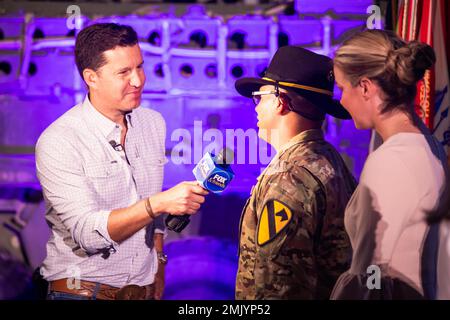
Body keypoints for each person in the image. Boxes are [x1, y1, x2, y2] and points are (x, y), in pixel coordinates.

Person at [35, 23, 208, 300]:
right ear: (91, 77)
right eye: (123, 73)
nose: (138, 80)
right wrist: (160, 203)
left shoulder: (152, 123)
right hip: (81, 294)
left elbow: (153, 218)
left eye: (139, 67)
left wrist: (158, 266)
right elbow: (88, 235)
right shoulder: (59, 140)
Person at [331, 29, 449, 299]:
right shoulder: (427, 145)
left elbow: (370, 278)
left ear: (365, 87)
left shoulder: (392, 161)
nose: (341, 100)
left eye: (342, 89)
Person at [234, 46, 357, 299]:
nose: (256, 107)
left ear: (280, 102)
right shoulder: (330, 160)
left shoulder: (288, 180)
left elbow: (278, 288)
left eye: (260, 96)